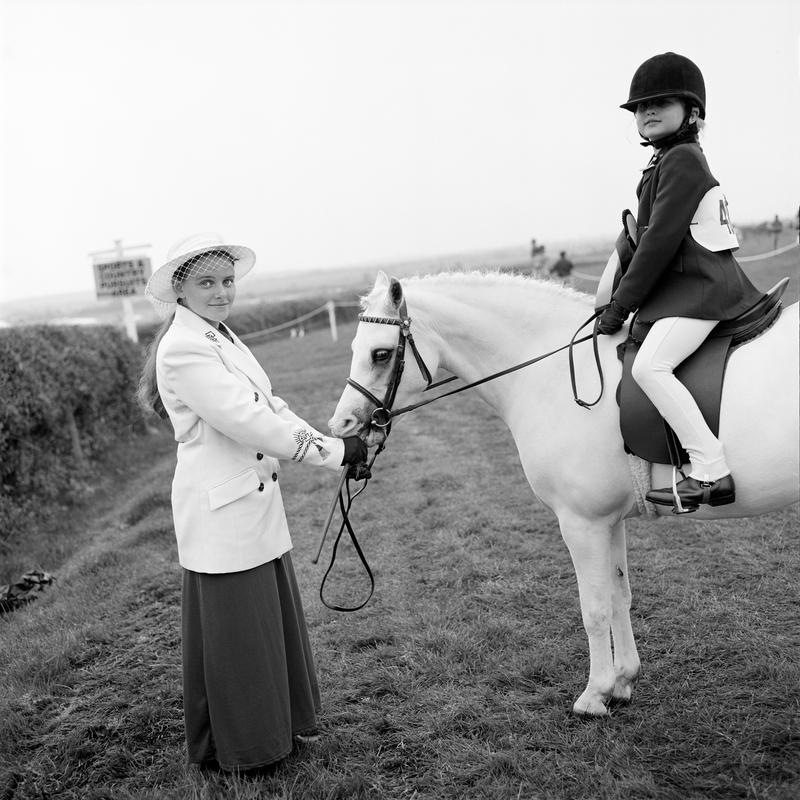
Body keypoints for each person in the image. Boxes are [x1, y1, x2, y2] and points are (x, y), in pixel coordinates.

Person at [136, 233, 368, 774]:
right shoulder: (184, 347)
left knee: (267, 626)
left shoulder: (220, 335)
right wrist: (334, 454)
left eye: (227, 280)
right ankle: (247, 746)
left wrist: (333, 445)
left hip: (252, 502)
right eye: (206, 282)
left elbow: (272, 405)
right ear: (180, 289)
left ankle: (278, 725)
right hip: (222, 510)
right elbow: (248, 420)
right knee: (239, 637)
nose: (221, 292)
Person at [596, 52, 764, 511]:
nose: (646, 112)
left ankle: (710, 470)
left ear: (691, 111)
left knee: (650, 366)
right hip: (688, 289)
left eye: (659, 103)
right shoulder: (665, 160)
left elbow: (659, 245)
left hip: (702, 292)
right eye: (639, 107)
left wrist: (619, 307)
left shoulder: (683, 159)